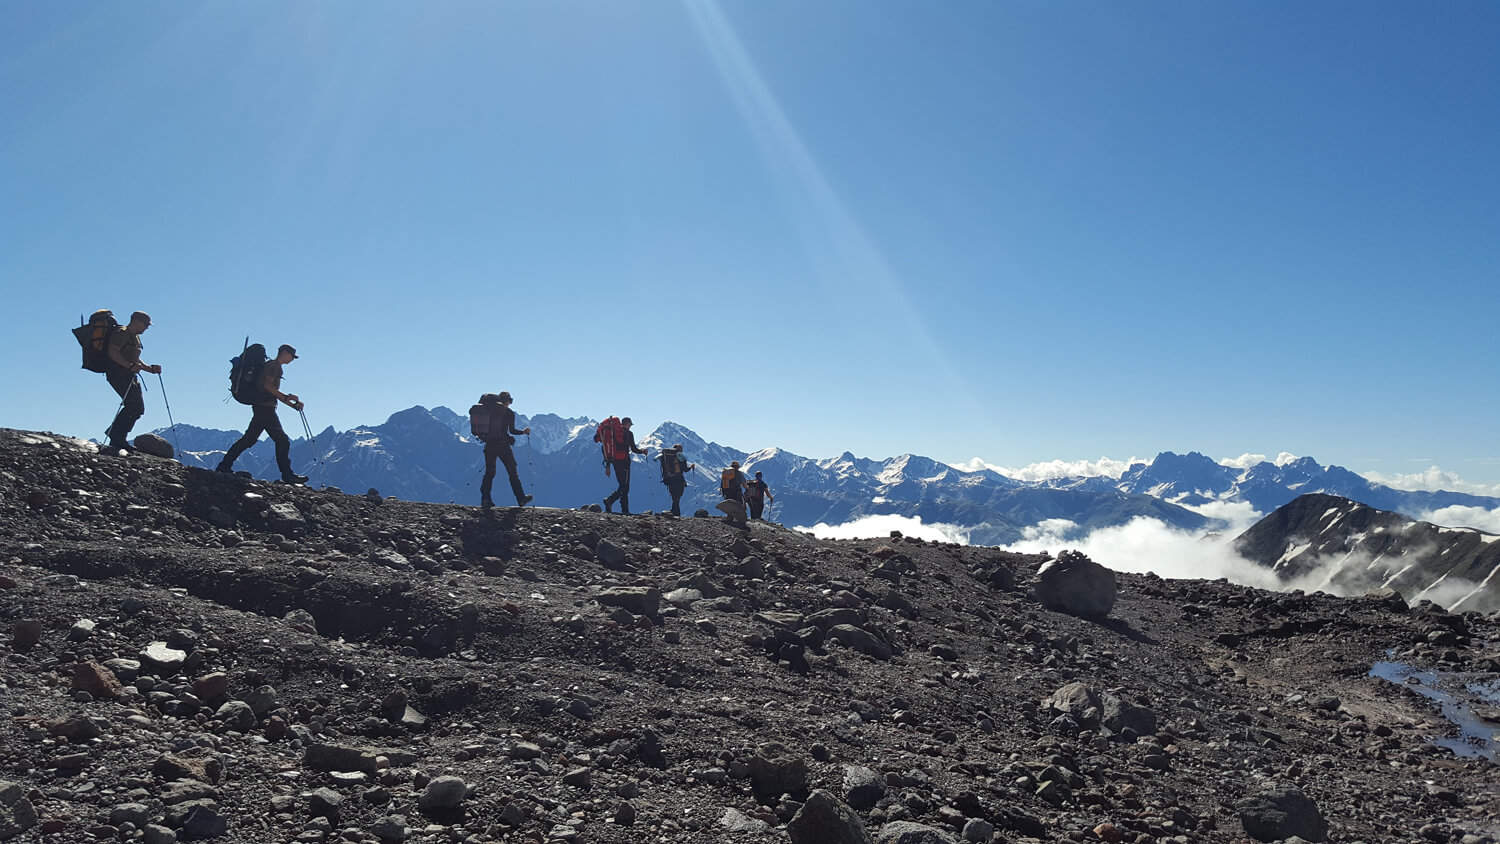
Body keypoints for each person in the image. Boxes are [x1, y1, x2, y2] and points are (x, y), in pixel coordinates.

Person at [217, 344, 308, 484]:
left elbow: (272, 393)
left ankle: (224, 466)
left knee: (249, 439)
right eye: (291, 356)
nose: (292, 359)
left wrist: (292, 405)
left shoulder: (271, 365)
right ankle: (288, 475)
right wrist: (288, 397)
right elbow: (268, 386)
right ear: (284, 352)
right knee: (282, 440)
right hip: (265, 408)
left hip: (261, 406)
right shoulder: (274, 366)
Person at [103, 311, 161, 453]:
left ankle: (117, 437)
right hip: (119, 373)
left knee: (136, 407)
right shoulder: (122, 333)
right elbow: (113, 351)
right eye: (145, 324)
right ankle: (117, 437)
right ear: (136, 321)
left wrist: (150, 369)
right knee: (134, 406)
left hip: (128, 374)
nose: (147, 327)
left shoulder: (133, 337)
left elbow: (134, 358)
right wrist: (128, 366)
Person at [476, 391, 532, 508]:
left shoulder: (488, 411)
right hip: (503, 446)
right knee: (512, 472)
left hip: (489, 445)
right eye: (510, 401)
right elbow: (512, 431)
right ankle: (521, 498)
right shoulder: (509, 413)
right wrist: (524, 432)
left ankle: (485, 499)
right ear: (507, 401)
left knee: (489, 473)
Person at [602, 417, 648, 514]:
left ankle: (623, 509)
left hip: (615, 462)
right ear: (627, 424)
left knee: (622, 484)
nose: (630, 426)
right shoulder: (628, 434)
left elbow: (609, 451)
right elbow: (634, 449)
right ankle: (611, 500)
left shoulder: (613, 434)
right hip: (625, 462)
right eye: (630, 424)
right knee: (625, 486)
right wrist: (642, 452)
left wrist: (608, 467)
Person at [657, 443, 694, 517]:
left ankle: (674, 512)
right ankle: (676, 513)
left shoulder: (667, 458)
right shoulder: (682, 458)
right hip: (679, 479)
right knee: (677, 497)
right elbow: (685, 469)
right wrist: (691, 467)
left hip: (670, 480)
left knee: (674, 497)